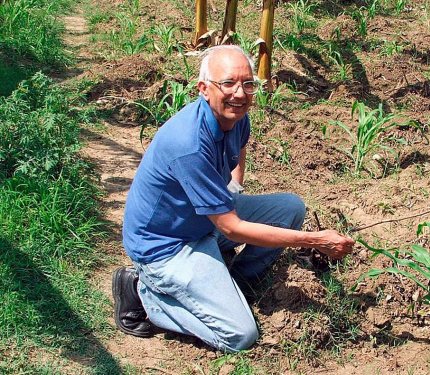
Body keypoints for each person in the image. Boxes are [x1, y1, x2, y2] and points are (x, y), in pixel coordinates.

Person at [112, 45, 355, 352]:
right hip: (166, 246)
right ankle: (143, 293)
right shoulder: (188, 143)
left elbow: (239, 150)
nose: (239, 94)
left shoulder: (236, 117)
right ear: (204, 88)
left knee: (290, 208)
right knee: (239, 336)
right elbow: (232, 228)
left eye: (248, 84)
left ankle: (234, 283)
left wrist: (234, 189)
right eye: (228, 84)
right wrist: (315, 240)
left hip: (203, 222)